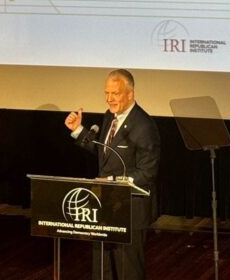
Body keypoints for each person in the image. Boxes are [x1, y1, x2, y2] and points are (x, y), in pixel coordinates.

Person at [64, 69, 160, 280]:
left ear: (130, 94)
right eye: (106, 93)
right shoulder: (110, 116)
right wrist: (78, 131)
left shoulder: (144, 126)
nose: (109, 99)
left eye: (115, 93)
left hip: (130, 209)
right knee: (103, 269)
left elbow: (148, 172)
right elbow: (103, 151)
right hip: (105, 205)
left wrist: (113, 182)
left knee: (128, 271)